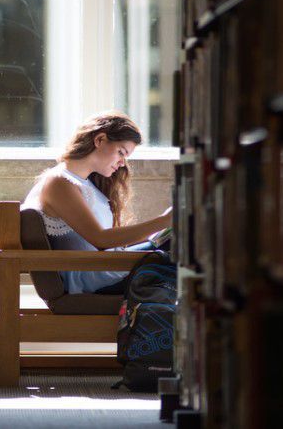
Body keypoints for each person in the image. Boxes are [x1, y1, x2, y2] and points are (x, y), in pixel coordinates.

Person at [22, 111, 172, 295]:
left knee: (177, 239)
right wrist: (165, 220)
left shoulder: (86, 184)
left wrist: (162, 231)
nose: (122, 163)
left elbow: (111, 244)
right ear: (100, 139)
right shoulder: (59, 182)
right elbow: (101, 240)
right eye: (121, 153)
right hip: (94, 283)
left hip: (107, 271)